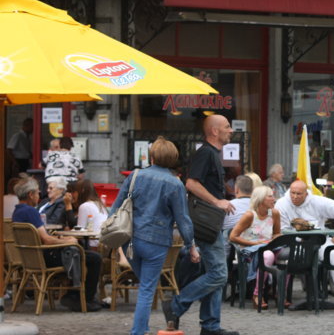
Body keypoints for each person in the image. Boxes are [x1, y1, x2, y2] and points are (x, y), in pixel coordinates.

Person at [111, 137, 198, 335]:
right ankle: (138, 331)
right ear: (173, 159)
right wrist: (191, 246)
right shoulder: (175, 184)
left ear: (151, 157)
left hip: (129, 239)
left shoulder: (135, 176)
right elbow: (183, 220)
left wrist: (111, 235)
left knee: (146, 284)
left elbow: (116, 207)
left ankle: (141, 328)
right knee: (147, 289)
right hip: (156, 242)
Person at [163, 115, 239, 335]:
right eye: (227, 127)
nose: (231, 130)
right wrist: (217, 201)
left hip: (211, 222)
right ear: (214, 131)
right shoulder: (206, 153)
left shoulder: (211, 153)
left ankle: (210, 326)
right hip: (206, 222)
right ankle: (176, 305)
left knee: (213, 273)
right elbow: (191, 183)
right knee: (219, 274)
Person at [12, 178, 103, 312]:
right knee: (94, 258)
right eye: (37, 192)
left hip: (32, 257)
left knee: (81, 253)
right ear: (30, 195)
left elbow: (42, 237)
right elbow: (46, 240)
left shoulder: (17, 211)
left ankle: (75, 295)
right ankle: (83, 298)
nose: (39, 195)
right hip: (44, 258)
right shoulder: (31, 212)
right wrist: (67, 241)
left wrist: (60, 238)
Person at [275, 179, 334, 307]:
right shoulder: (281, 204)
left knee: (333, 253)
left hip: (319, 241)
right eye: (292, 193)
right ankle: (293, 295)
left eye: (299, 194)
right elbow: (282, 230)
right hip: (294, 244)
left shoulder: (318, 201)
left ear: (306, 193)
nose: (295, 196)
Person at [229, 186, 281, 310]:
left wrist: (273, 239)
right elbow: (233, 236)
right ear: (261, 199)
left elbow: (277, 233)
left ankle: (281, 293)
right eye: (270, 196)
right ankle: (258, 294)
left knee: (287, 255)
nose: (274, 199)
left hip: (268, 246)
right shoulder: (249, 215)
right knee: (267, 255)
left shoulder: (274, 213)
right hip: (249, 250)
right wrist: (255, 244)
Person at [75, 179, 109, 247]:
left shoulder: (84, 206)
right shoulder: (100, 204)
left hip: (93, 244)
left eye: (76, 191)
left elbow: (80, 231)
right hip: (105, 243)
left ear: (82, 191)